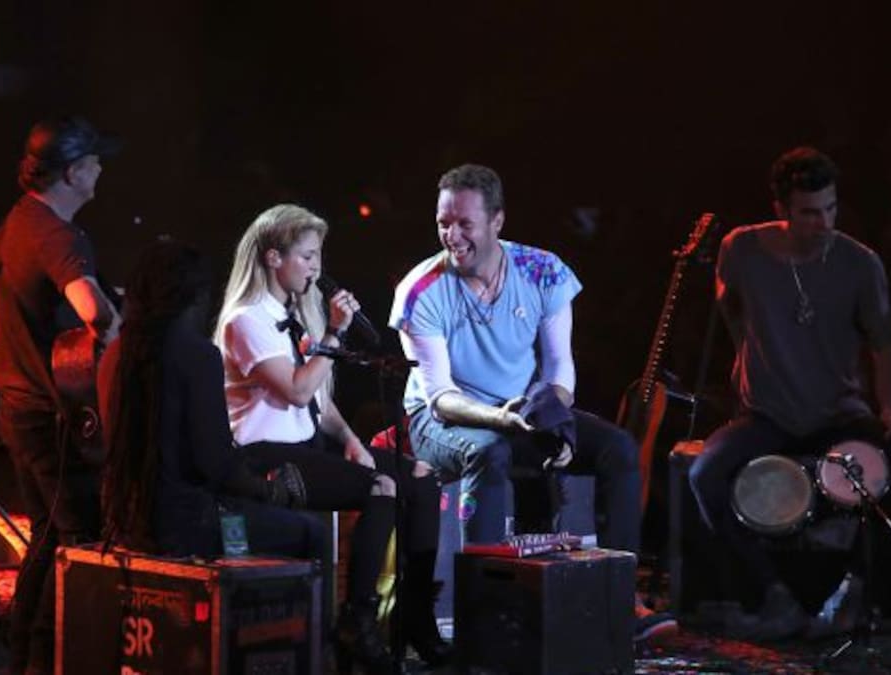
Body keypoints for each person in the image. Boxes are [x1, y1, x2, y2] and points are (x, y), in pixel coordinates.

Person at [389, 163, 677, 642]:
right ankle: (484, 612)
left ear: (497, 221)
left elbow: (559, 365)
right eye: (443, 223)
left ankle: (619, 598)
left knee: (619, 449)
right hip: (440, 422)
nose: (452, 236)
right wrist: (503, 419)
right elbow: (440, 398)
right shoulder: (421, 291)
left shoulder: (542, 271)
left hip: (520, 409)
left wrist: (554, 420)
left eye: (464, 223)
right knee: (488, 451)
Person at [687, 146, 891, 640]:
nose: (823, 223)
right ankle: (772, 593)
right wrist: (748, 364)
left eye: (831, 209)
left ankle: (856, 590)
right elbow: (730, 309)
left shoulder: (860, 263)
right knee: (703, 474)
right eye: (809, 213)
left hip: (839, 413)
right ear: (781, 209)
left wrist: (888, 407)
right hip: (767, 413)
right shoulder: (742, 249)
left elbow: (885, 345)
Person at [215, 204, 448, 673]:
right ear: (273, 258)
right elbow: (298, 390)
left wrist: (352, 440)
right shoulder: (246, 320)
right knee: (380, 488)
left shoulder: (294, 318)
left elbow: (319, 402)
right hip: (266, 458)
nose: (316, 268)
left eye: (319, 256)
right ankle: (357, 620)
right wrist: (335, 333)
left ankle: (417, 615)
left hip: (309, 448)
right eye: (306, 256)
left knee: (421, 478)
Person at [0, 115, 122, 675]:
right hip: (50, 416)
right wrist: (119, 325)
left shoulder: (18, 222)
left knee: (47, 536)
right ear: (71, 173)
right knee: (74, 539)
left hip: (17, 406)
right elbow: (95, 314)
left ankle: (24, 656)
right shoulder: (59, 235)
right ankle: (44, 659)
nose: (101, 169)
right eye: (94, 162)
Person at [97, 238, 324, 561]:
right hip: (189, 527)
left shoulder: (114, 354)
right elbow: (215, 464)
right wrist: (270, 490)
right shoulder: (198, 355)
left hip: (125, 525)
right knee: (311, 532)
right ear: (195, 296)